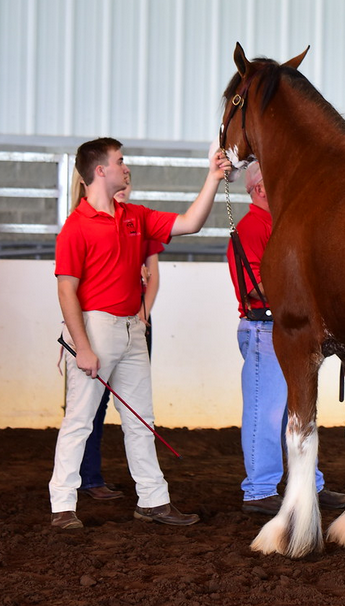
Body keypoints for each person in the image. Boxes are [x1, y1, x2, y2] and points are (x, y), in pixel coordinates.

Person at [50, 137, 231, 529]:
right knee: (80, 419)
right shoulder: (75, 228)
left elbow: (191, 223)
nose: (125, 167)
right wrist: (82, 347)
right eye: (120, 161)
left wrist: (213, 177)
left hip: (133, 327)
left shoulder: (135, 216)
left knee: (140, 420)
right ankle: (62, 505)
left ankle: (152, 499)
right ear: (100, 171)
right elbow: (66, 289)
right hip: (96, 326)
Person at [227, 161, 345, 515]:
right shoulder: (252, 227)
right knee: (266, 412)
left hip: (283, 327)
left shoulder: (276, 225)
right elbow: (254, 287)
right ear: (260, 189)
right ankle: (260, 489)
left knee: (293, 410)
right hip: (267, 326)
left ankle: (305, 481)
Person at [68, 173, 165, 501]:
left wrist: (143, 313)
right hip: (100, 325)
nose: (123, 190)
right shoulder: (82, 224)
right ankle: (88, 478)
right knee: (91, 409)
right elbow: (76, 287)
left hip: (134, 324)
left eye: (127, 186)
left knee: (137, 412)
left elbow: (153, 277)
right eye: (119, 185)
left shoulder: (140, 222)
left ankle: (147, 492)